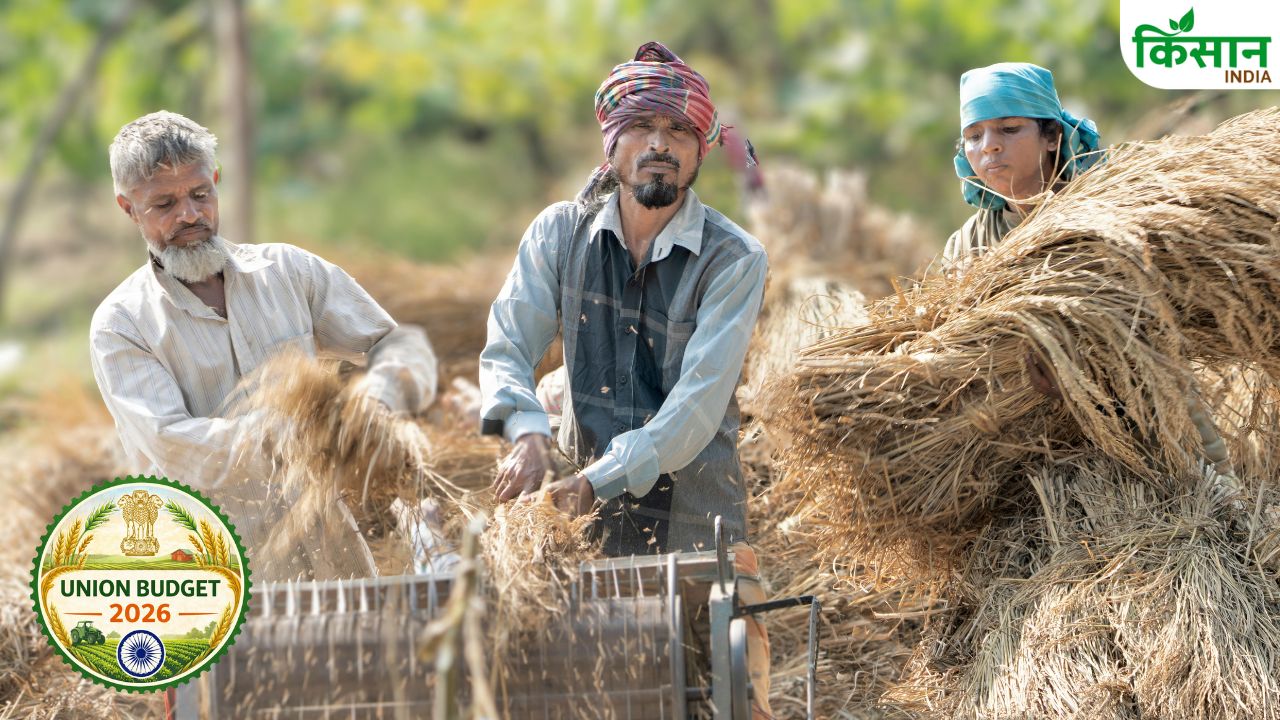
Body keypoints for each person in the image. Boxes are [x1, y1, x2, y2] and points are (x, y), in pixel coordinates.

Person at [478, 42, 772, 714]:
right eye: (641, 127)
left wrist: (595, 481)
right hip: (579, 530)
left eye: (678, 131)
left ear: (703, 149)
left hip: (696, 527)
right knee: (596, 694)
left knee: (710, 696)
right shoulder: (561, 232)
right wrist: (526, 433)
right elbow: (505, 348)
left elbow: (696, 411)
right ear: (611, 144)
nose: (659, 144)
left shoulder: (733, 258)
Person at [90, 111, 438, 557]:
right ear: (128, 208)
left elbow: (398, 342)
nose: (190, 215)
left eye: (201, 193)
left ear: (216, 180)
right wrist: (302, 432)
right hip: (215, 569)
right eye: (164, 205)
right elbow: (173, 446)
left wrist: (379, 398)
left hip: (333, 549)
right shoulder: (122, 324)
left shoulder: (288, 271)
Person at [941, 62, 1103, 271]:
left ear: (1052, 136)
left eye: (1009, 128)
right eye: (974, 136)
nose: (989, 146)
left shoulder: (1095, 216)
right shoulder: (964, 247)